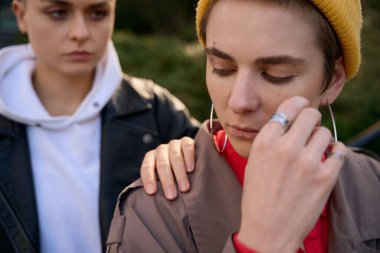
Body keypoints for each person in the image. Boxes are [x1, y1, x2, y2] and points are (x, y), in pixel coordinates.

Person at [107, 0, 380, 252]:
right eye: (222, 68)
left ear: (334, 80)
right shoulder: (152, 213)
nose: (239, 101)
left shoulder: (373, 184)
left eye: (276, 75)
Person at [0, 0, 199, 252]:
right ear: (21, 15)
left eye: (98, 13)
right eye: (58, 13)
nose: (80, 33)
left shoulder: (156, 110)